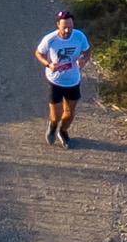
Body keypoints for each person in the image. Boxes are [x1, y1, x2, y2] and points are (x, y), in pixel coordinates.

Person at [33, 10, 90, 148]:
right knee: (56, 115)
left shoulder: (79, 36)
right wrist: (48, 64)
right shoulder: (50, 39)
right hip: (55, 81)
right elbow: (38, 53)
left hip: (73, 81)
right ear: (58, 25)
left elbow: (87, 51)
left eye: (70, 27)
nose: (67, 30)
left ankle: (63, 131)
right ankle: (52, 126)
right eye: (64, 27)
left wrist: (83, 60)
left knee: (70, 113)